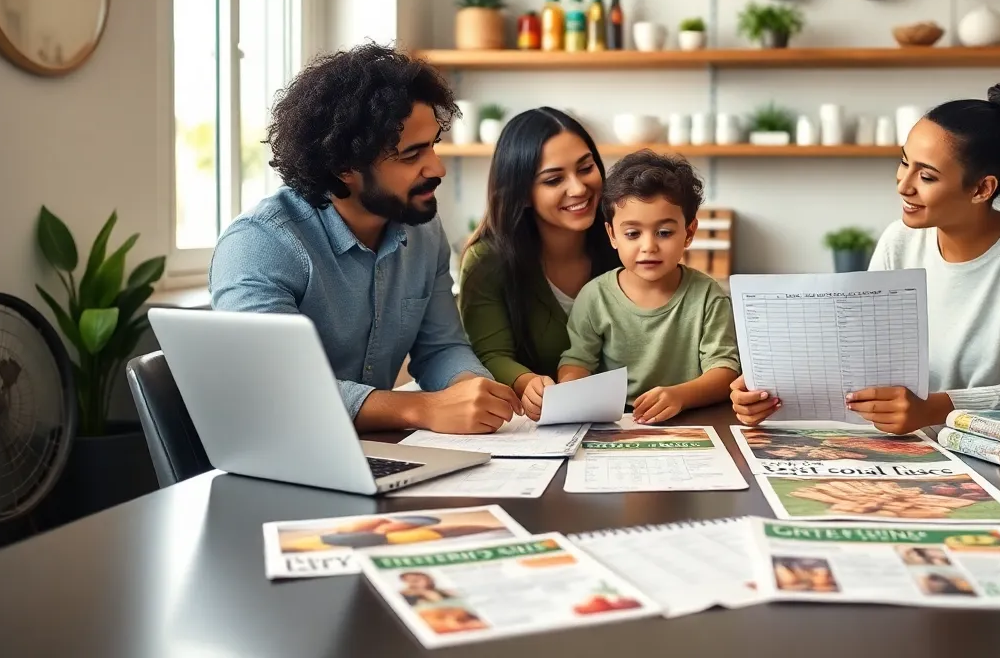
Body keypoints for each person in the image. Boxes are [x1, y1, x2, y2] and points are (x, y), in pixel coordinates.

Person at [733, 82, 1000, 433]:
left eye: (926, 175)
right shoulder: (900, 242)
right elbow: (863, 357)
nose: (904, 185)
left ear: (982, 189)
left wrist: (935, 408)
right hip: (944, 444)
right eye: (903, 162)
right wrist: (771, 389)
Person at [209, 43, 521, 434]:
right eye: (411, 155)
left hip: (372, 452)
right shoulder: (260, 244)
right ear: (345, 167)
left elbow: (441, 348)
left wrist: (469, 388)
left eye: (434, 145)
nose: (437, 167)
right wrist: (421, 408)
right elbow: (279, 388)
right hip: (274, 459)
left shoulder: (424, 231)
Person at [457, 108, 621, 421]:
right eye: (554, 179)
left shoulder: (624, 242)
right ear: (522, 194)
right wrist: (527, 383)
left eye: (586, 168)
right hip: (532, 426)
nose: (578, 188)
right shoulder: (487, 260)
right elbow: (491, 354)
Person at [556, 150, 740, 424]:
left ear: (688, 233)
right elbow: (577, 361)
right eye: (632, 234)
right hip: (616, 422)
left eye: (664, 232)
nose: (649, 246)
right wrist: (570, 388)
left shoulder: (707, 296)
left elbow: (724, 371)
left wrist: (680, 396)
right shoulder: (595, 296)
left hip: (690, 419)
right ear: (612, 235)